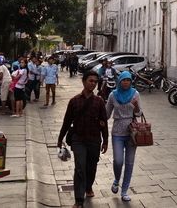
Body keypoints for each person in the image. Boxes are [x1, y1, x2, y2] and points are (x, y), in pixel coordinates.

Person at [57, 71, 108, 208]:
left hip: (94, 139)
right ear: (84, 81)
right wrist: (60, 138)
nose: (93, 84)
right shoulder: (74, 101)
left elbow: (104, 122)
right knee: (80, 167)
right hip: (78, 139)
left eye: (95, 82)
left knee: (91, 166)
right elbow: (67, 121)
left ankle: (88, 186)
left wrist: (105, 141)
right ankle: (79, 200)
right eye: (91, 81)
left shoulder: (99, 102)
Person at [106, 71, 141, 202]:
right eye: (123, 80)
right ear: (119, 81)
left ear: (131, 82)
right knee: (118, 161)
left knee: (129, 163)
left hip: (132, 133)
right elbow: (106, 114)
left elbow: (139, 113)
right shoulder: (113, 95)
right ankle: (116, 180)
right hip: (117, 132)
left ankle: (124, 191)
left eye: (128, 80)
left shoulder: (135, 94)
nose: (126, 82)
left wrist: (136, 106)